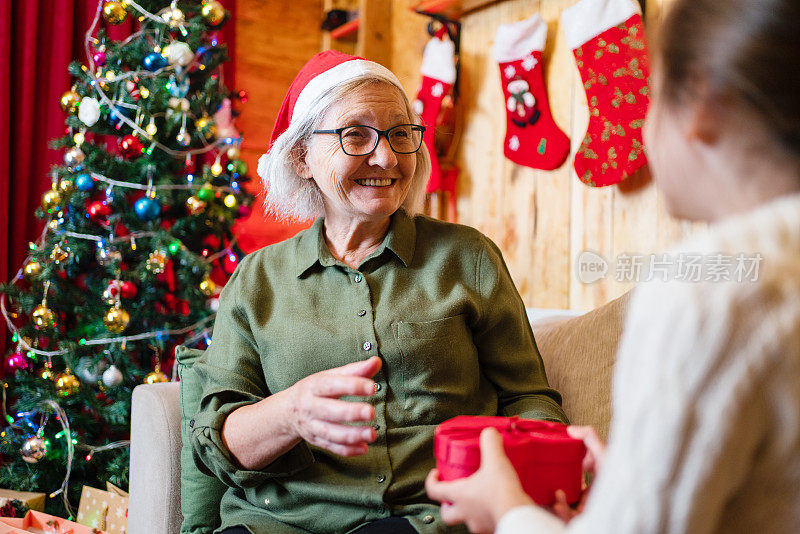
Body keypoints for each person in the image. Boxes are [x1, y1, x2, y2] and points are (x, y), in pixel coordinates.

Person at [424, 0, 800, 532]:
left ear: (702, 108)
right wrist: (626, 481)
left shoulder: (704, 293)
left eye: (651, 99)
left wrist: (508, 509)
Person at [188, 50, 567, 534]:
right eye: (356, 135)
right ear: (302, 157)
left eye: (400, 134)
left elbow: (529, 402)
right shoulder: (257, 279)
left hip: (422, 519)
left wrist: (519, 487)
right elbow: (216, 442)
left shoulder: (467, 258)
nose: (386, 157)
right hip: (275, 522)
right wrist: (291, 413)